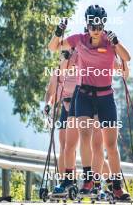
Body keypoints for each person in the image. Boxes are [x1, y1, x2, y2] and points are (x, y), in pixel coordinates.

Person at [48, 5, 131, 200]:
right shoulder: (79, 40)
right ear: (87, 23)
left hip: (105, 98)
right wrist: (58, 32)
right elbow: (53, 47)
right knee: (84, 137)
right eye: (92, 24)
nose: (95, 28)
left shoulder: (109, 42)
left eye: (99, 24)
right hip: (84, 96)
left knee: (110, 145)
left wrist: (117, 42)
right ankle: (88, 179)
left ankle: (117, 187)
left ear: (103, 24)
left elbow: (127, 58)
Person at [44, 48, 79, 177]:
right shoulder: (58, 72)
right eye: (65, 56)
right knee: (64, 146)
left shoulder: (82, 70)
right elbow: (50, 93)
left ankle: (109, 183)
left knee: (90, 146)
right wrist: (48, 105)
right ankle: (66, 181)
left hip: (83, 108)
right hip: (66, 108)